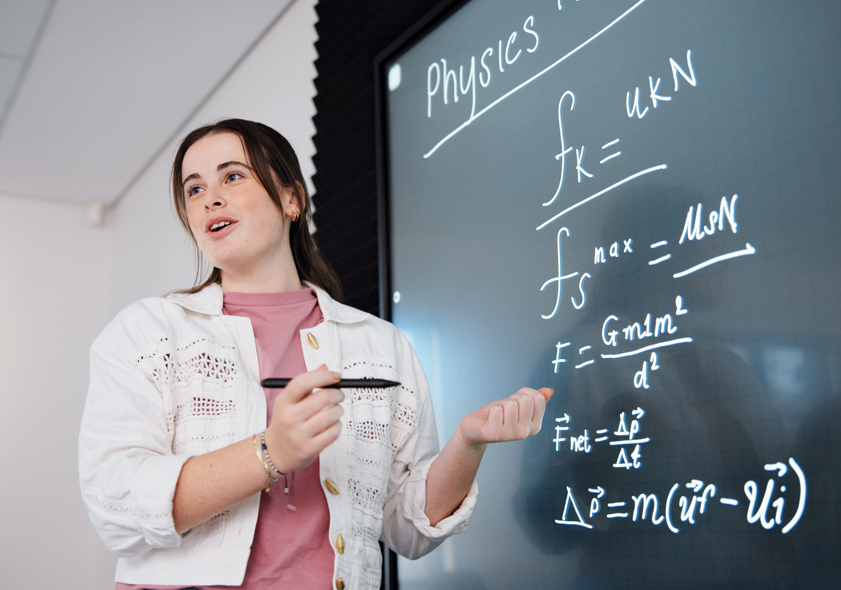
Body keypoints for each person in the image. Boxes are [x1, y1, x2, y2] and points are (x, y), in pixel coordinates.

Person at [78, 118, 554, 589]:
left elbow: (407, 528)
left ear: (292, 199)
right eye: (194, 189)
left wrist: (468, 443)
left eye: (232, 176)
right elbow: (116, 504)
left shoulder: (379, 344)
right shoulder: (148, 331)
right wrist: (271, 452)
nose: (211, 198)